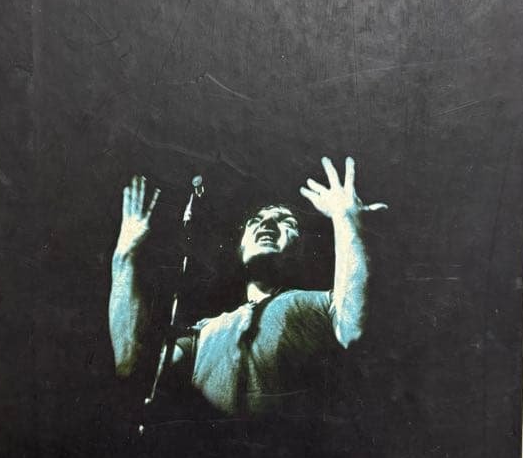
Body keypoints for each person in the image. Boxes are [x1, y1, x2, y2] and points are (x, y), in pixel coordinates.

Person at [108, 157, 387, 420]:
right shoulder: (204, 332)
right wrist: (123, 255)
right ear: (240, 248)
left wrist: (345, 219)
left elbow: (353, 328)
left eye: (285, 221)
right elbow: (132, 366)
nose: (267, 223)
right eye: (256, 220)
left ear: (300, 250)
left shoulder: (319, 304)